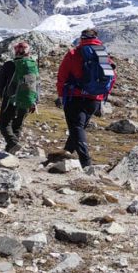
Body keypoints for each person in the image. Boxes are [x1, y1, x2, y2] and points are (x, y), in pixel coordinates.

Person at [56, 27, 117, 168]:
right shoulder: (103, 54)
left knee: (77, 128)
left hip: (74, 97)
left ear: (81, 38)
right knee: (78, 128)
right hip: (94, 100)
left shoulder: (74, 53)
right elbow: (112, 78)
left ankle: (86, 163)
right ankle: (65, 155)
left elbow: (62, 76)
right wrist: (102, 94)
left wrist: (60, 94)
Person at [0, 41, 38, 153]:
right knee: (17, 125)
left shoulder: (9, 64)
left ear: (15, 52)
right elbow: (37, 84)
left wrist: (1, 96)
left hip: (10, 99)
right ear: (28, 52)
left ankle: (13, 143)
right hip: (27, 99)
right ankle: (11, 151)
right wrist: (34, 101)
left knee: (4, 123)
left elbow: (1, 83)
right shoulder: (32, 65)